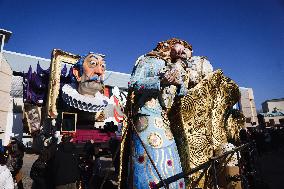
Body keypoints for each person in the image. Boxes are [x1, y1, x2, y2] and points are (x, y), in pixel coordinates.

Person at [119, 38, 192, 189]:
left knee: (172, 168)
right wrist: (161, 80)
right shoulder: (148, 59)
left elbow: (180, 93)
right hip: (146, 119)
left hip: (163, 121)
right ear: (170, 45)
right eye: (182, 49)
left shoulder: (172, 65)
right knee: (148, 167)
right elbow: (134, 83)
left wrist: (179, 84)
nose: (183, 53)